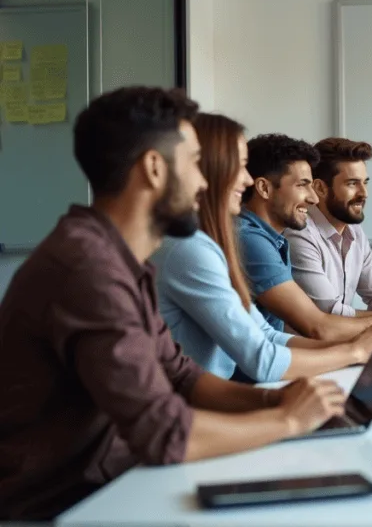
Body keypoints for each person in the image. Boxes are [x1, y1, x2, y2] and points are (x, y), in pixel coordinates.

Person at [0, 87, 347, 520]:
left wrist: (277, 402)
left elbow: (182, 377)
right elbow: (163, 433)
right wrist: (289, 423)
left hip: (115, 481)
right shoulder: (86, 269)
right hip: (64, 506)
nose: (205, 182)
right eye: (195, 164)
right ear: (154, 168)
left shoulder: (121, 258)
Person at [152, 114, 372, 383]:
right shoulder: (193, 249)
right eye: (238, 167)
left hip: (216, 396)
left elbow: (266, 334)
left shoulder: (213, 241)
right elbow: (264, 358)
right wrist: (353, 351)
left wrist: (354, 351)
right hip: (205, 404)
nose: (247, 180)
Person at [236, 133, 372, 342]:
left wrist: (355, 350)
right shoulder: (253, 239)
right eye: (302, 185)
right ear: (264, 188)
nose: (312, 198)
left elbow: (271, 341)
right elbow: (319, 326)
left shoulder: (273, 240)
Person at [286, 137, 372, 327]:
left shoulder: (354, 231)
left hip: (342, 345)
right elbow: (329, 311)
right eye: (352, 183)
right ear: (320, 188)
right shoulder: (299, 234)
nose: (364, 193)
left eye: (365, 182)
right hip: (310, 350)